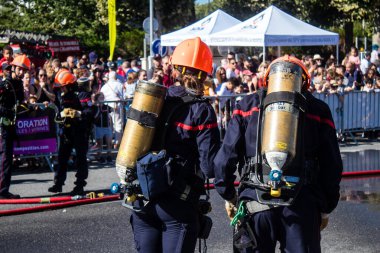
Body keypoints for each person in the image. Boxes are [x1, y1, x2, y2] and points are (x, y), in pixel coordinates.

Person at [213, 56, 343, 253]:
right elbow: (332, 165)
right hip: (301, 204)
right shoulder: (318, 109)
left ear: (268, 79)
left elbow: (224, 159)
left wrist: (230, 196)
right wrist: (326, 208)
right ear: (304, 81)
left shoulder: (247, 105)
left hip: (255, 202)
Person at [130, 37, 220, 253]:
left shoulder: (155, 100)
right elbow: (209, 167)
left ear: (175, 68)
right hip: (177, 204)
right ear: (205, 73)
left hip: (142, 199)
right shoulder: (202, 110)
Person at [48, 69, 93, 195]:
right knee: (62, 158)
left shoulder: (82, 94)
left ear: (69, 85)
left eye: (63, 87)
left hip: (80, 130)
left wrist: (77, 113)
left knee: (80, 159)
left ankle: (79, 186)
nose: (61, 90)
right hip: (66, 131)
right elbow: (58, 107)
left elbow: (89, 112)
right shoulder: (61, 94)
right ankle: (58, 184)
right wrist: (58, 113)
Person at [0, 54, 28, 199]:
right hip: (2, 125)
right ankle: (2, 191)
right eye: (20, 69)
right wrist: (8, 111)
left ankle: (4, 189)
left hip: (11, 125)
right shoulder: (5, 84)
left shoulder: (18, 85)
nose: (22, 72)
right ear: (14, 68)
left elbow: (21, 104)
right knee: (4, 157)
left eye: (25, 70)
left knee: (7, 158)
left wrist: (28, 107)